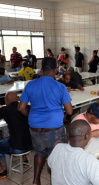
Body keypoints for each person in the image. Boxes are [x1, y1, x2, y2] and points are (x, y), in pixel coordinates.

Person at [18, 57, 73, 185]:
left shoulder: (30, 84)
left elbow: (21, 108)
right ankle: (56, 181)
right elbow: (69, 111)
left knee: (39, 152)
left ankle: (36, 180)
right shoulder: (60, 87)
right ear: (55, 70)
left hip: (35, 128)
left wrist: (32, 116)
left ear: (41, 70)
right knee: (58, 156)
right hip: (54, 129)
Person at [48, 119, 99, 185]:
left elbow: (49, 166)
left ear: (68, 135)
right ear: (87, 136)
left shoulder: (58, 147)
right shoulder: (88, 160)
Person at [0, 92, 32, 178]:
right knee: (21, 133)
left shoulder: (5, 110)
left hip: (17, 148)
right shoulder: (27, 107)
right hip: (31, 145)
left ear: (6, 101)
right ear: (18, 99)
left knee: (10, 139)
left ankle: (1, 171)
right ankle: (25, 160)